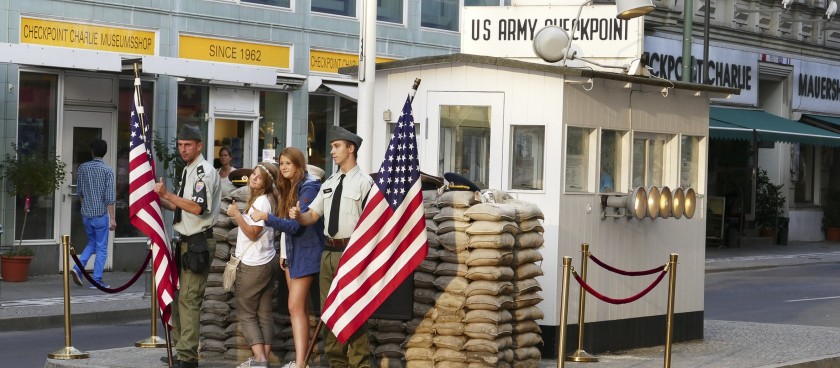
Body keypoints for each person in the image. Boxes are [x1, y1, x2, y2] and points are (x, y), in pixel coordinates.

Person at [289, 126, 373, 368]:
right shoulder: (329, 183)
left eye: (337, 147)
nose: (332, 151)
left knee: (353, 311)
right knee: (330, 313)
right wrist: (298, 216)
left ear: (351, 148)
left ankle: (359, 363)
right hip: (328, 253)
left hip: (352, 254)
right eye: (332, 147)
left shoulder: (365, 183)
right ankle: (337, 363)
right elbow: (312, 216)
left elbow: (372, 225)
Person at [153, 124, 221, 368]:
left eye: (188, 145)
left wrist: (168, 195)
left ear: (199, 146)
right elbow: (182, 207)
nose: (183, 149)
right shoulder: (188, 170)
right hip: (184, 242)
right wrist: (158, 201)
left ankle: (188, 357)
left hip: (198, 243)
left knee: (189, 300)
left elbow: (197, 207)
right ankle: (182, 349)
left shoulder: (203, 172)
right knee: (177, 297)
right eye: (180, 145)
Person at [251, 148, 325, 368]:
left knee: (294, 306)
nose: (283, 167)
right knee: (297, 309)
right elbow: (288, 229)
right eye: (281, 163)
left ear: (299, 165)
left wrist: (266, 217)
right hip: (292, 253)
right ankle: (300, 360)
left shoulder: (310, 187)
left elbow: (294, 225)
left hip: (306, 253)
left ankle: (302, 362)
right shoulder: (289, 186)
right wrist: (284, 253)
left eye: (288, 163)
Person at [226, 162, 281, 368]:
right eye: (253, 175)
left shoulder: (262, 202)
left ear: (267, 182)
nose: (253, 179)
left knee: (246, 311)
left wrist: (237, 215)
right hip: (266, 261)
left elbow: (253, 233)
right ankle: (263, 359)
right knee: (264, 312)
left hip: (253, 264)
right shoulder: (269, 200)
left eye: (258, 177)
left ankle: (259, 359)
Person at [70, 139, 116, 289]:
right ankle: (97, 279)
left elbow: (80, 192)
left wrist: (85, 207)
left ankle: (77, 268)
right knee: (102, 247)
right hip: (101, 215)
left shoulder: (83, 168)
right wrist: (113, 219)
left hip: (86, 214)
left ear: (92, 152)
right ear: (105, 152)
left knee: (92, 243)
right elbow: (109, 197)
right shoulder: (108, 171)